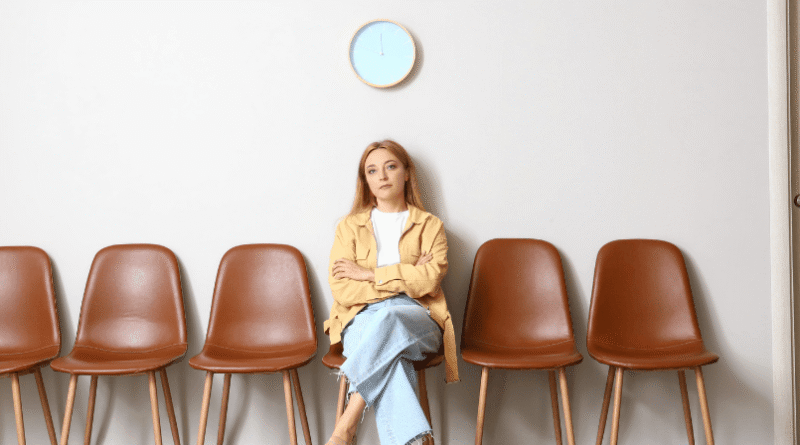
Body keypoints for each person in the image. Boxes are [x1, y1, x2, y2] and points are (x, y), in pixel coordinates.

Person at [324, 140, 459, 445]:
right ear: (366, 181)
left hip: (418, 318)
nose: (382, 176)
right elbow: (343, 289)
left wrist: (369, 275)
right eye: (372, 170)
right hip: (361, 317)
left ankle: (346, 425)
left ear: (407, 173)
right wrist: (406, 274)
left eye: (391, 166)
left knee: (391, 314)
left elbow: (429, 281)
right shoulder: (349, 227)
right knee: (393, 355)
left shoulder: (430, 226)